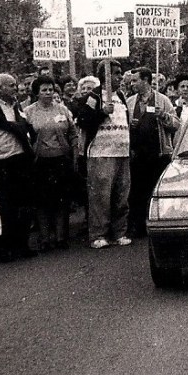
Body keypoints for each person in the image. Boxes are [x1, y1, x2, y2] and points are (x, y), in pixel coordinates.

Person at [0, 73, 36, 261]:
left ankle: (22, 245)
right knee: (5, 208)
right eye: (11, 85)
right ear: (0, 88)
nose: (15, 88)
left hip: (20, 161)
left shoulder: (16, 107)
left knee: (23, 206)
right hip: (1, 163)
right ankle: (3, 249)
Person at [74, 61, 131, 248]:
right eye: (116, 73)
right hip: (101, 153)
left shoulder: (121, 96)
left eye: (120, 73)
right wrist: (101, 113)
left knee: (121, 196)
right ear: (105, 75)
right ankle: (98, 234)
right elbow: (83, 120)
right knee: (100, 196)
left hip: (122, 153)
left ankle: (120, 232)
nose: (120, 77)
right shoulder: (93, 97)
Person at [24, 74, 77, 251]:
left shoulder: (62, 110)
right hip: (40, 161)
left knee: (62, 201)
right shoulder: (28, 111)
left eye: (51, 89)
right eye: (44, 90)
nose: (48, 93)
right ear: (37, 93)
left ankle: (61, 238)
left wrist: (74, 154)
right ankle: (45, 239)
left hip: (61, 160)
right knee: (42, 202)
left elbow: (73, 133)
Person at [126, 67, 180, 239]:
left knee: (155, 191)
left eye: (135, 80)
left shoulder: (162, 100)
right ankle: (139, 226)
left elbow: (176, 124)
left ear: (146, 80)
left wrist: (163, 116)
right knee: (137, 192)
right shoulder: (129, 102)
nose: (132, 84)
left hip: (158, 154)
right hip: (137, 155)